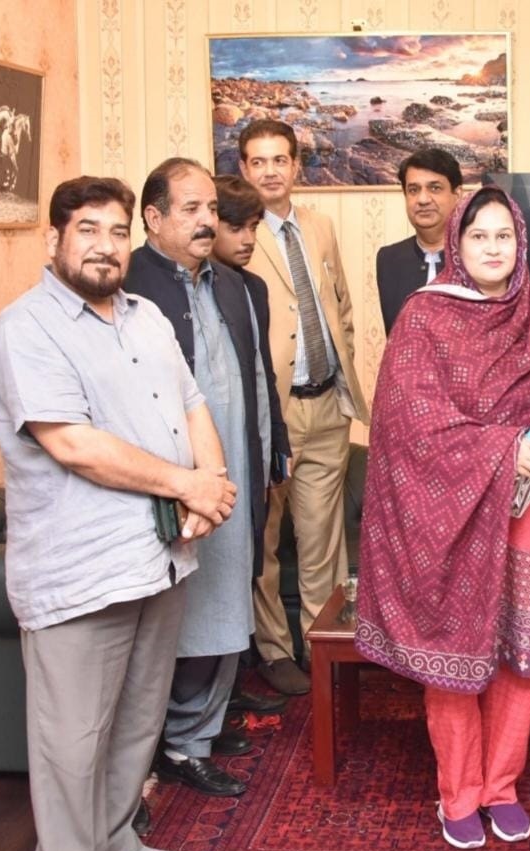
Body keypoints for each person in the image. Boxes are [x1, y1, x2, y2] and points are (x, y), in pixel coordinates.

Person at [0, 175, 237, 851]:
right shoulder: (25, 328)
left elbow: (192, 403)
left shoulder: (145, 315)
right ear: (53, 239)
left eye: (117, 231)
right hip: (81, 571)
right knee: (72, 744)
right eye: (88, 230)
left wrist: (212, 484)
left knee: (136, 725)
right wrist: (188, 483)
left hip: (157, 561)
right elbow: (74, 445)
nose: (105, 245)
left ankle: (116, 845)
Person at [353, 186, 530, 850]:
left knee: (526, 656)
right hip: (454, 516)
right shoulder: (424, 317)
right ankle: (459, 793)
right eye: (478, 236)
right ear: (456, 245)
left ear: (522, 244)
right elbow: (410, 423)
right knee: (455, 653)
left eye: (504, 236)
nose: (493, 248)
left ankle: (502, 787)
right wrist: (507, 450)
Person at [123, 158, 283, 797]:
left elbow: (257, 379)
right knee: (178, 615)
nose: (207, 221)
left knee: (227, 600)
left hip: (235, 469)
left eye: (211, 208)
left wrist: (271, 454)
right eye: (191, 209)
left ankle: (195, 735)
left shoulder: (234, 285)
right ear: (154, 218)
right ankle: (166, 744)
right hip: (169, 483)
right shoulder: (128, 286)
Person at [239, 119, 369, 696]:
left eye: (279, 160)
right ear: (244, 168)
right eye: (258, 161)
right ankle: (274, 650)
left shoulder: (319, 226)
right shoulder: (237, 232)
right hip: (271, 413)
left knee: (321, 543)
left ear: (296, 165)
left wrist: (341, 376)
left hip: (325, 407)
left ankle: (324, 650)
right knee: (264, 541)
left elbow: (340, 308)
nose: (270, 171)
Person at [210, 173, 295, 720]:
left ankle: (229, 689)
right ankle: (213, 699)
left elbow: (263, 374)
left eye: (253, 228)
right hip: (210, 455)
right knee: (218, 571)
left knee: (244, 564)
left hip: (256, 446)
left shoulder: (253, 288)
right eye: (235, 227)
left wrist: (277, 443)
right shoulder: (182, 286)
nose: (247, 239)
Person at [376, 147, 463, 334]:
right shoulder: (389, 259)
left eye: (435, 188)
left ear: (457, 195)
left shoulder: (479, 257)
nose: (423, 199)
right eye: (413, 190)